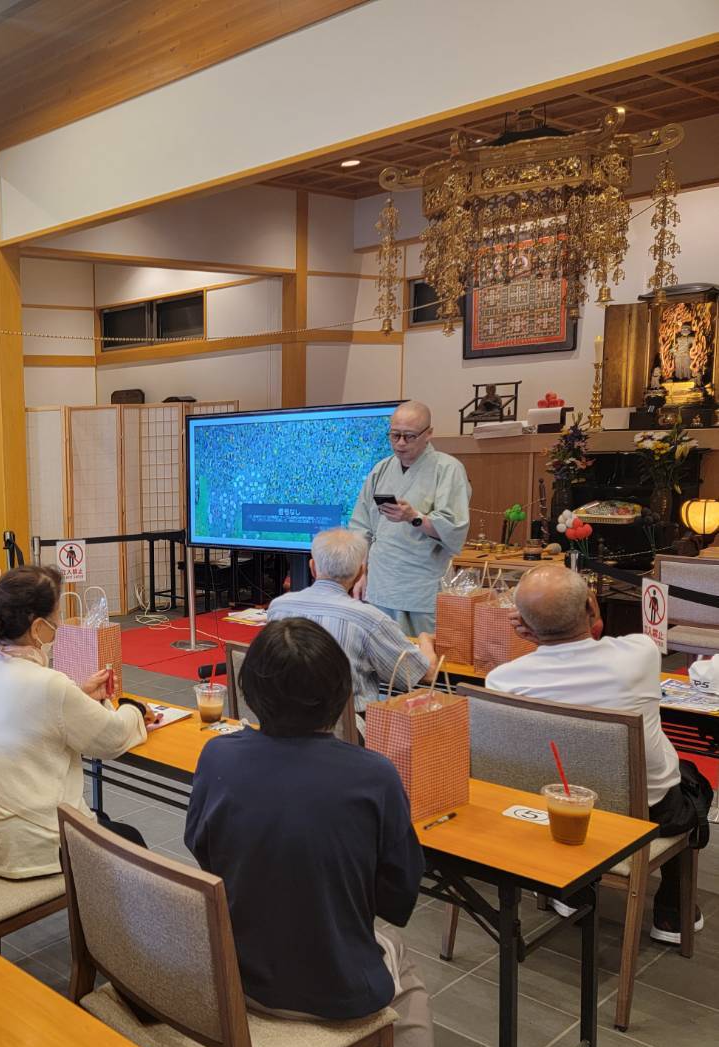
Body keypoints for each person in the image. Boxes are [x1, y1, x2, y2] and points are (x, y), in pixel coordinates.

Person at [185, 619, 451, 1047]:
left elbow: (201, 847)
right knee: (398, 961)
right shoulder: (374, 775)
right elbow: (397, 897)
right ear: (342, 693)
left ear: (247, 689)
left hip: (232, 973)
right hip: (334, 987)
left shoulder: (217, 755)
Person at [485, 564, 711, 943]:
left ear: (524, 624)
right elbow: (594, 638)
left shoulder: (503, 680)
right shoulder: (640, 655)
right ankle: (672, 913)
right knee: (693, 784)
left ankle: (572, 892)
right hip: (641, 815)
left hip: (553, 809)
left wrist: (541, 633)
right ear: (591, 606)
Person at [0, 565, 160, 878]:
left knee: (103, 821)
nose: (60, 625)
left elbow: (29, 717)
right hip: (28, 844)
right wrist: (135, 708)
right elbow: (113, 737)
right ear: (37, 628)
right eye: (58, 616)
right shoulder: (49, 685)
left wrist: (80, 696)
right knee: (130, 840)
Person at [267, 528, 437, 711]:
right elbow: (424, 674)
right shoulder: (370, 619)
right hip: (347, 725)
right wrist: (425, 639)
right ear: (360, 572)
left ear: (313, 567)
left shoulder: (278, 607)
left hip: (281, 721)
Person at [348, 400, 471, 636]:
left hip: (421, 586)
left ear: (429, 434)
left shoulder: (448, 469)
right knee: (380, 652)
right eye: (395, 435)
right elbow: (361, 526)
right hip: (380, 584)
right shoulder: (381, 469)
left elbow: (454, 529)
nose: (401, 443)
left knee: (422, 653)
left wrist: (413, 517)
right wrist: (361, 572)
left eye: (409, 436)